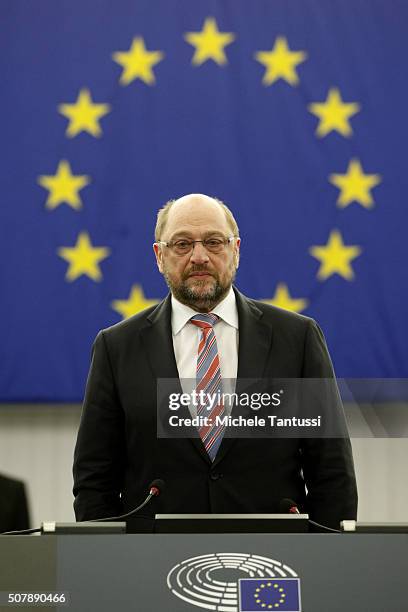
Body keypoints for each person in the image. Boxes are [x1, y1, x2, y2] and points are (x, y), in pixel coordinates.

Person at [73, 193, 357, 530]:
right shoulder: (116, 347)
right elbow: (95, 480)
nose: (199, 256)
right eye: (181, 244)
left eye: (213, 242)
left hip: (273, 559)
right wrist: (107, 565)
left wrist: (325, 562)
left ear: (235, 250)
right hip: (149, 565)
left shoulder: (296, 339)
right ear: (159, 256)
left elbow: (331, 472)